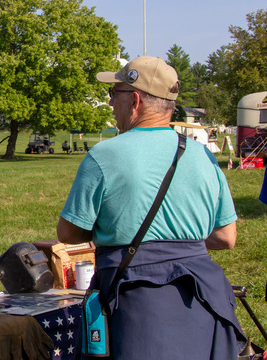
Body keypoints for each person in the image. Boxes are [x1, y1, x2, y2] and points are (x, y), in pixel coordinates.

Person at [56, 56, 246, 359]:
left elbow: (68, 233)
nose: (111, 103)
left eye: (113, 94)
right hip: (204, 302)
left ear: (134, 100)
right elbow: (226, 237)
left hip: (137, 304)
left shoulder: (104, 155)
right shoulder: (203, 156)